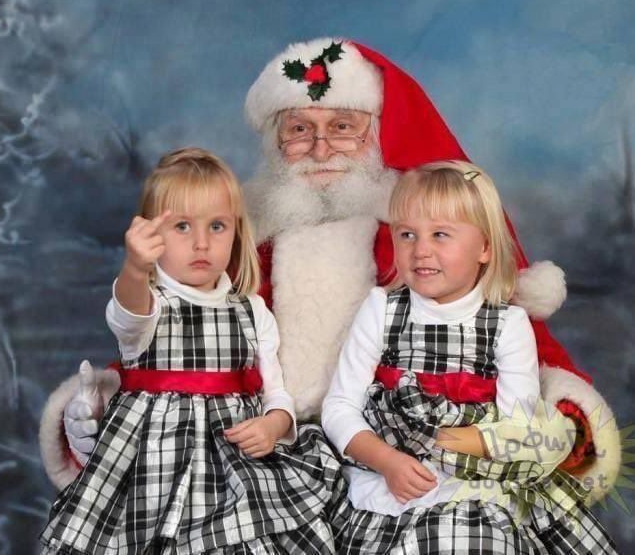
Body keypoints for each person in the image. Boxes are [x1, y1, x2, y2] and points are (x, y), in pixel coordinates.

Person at [39, 38, 619, 508]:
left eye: (343, 127)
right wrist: (98, 407)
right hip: (271, 444)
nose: (320, 148)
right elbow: (174, 343)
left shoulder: (416, 246)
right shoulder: (240, 247)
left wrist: (563, 415)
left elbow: (511, 342)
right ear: (276, 143)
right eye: (299, 129)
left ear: (379, 135)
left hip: (402, 448)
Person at [39, 148, 339, 554]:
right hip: (152, 467)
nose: (201, 243)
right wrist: (134, 268)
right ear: (152, 236)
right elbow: (127, 314)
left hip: (232, 464)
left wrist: (274, 424)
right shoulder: (149, 303)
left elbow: (275, 390)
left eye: (217, 226)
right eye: (182, 226)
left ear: (236, 232)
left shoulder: (251, 309)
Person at [321, 161, 617, 552]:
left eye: (440, 234)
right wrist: (386, 461)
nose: (420, 250)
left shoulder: (508, 324)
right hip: (390, 478)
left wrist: (447, 442)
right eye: (407, 234)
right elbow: (339, 407)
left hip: (475, 481)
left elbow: (517, 427)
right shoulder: (381, 309)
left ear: (484, 248)